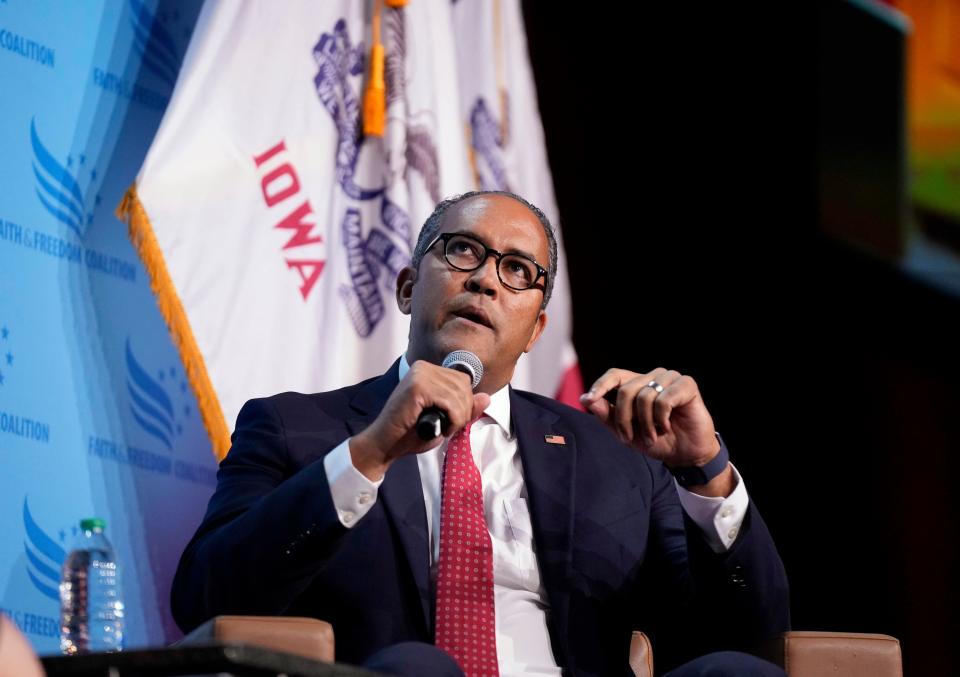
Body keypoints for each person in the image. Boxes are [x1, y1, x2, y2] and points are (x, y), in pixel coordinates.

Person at [171, 191, 789, 676]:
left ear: (536, 327)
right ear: (409, 288)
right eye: (463, 251)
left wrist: (704, 472)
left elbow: (751, 637)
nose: (488, 280)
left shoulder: (617, 460)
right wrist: (369, 453)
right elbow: (205, 599)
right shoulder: (295, 429)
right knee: (420, 667)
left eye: (518, 270)